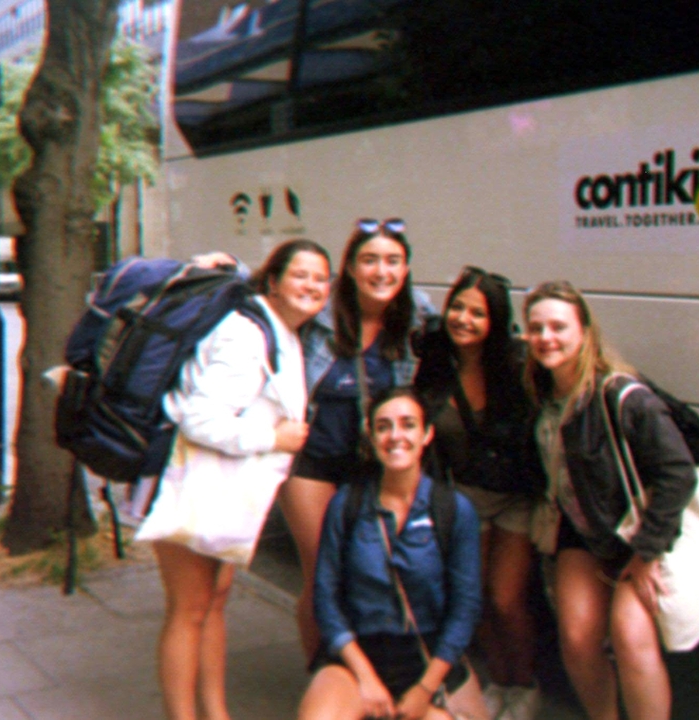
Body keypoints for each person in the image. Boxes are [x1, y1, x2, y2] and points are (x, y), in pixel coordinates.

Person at [138, 239, 332, 720]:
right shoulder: (247, 335)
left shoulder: (278, 329)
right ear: (274, 282)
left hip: (220, 491)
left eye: (321, 278)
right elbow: (199, 418)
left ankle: (216, 712)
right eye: (300, 274)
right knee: (189, 610)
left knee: (213, 603)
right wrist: (274, 438)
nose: (312, 285)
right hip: (188, 486)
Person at [522, 280, 697, 720]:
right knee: (577, 640)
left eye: (558, 327)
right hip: (585, 535)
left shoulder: (622, 395)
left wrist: (647, 551)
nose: (546, 337)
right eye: (536, 328)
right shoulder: (541, 395)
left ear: (585, 332)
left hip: (638, 536)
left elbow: (678, 473)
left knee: (631, 639)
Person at [281, 217, 434, 659]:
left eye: (393, 261)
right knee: (324, 573)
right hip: (314, 462)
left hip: (374, 466)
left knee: (374, 572)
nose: (381, 271)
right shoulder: (318, 314)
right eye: (369, 260)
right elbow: (266, 296)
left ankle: (367, 673)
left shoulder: (416, 317)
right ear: (348, 268)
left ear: (406, 269)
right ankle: (323, 674)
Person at [298, 387, 487, 720]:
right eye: (383, 426)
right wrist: (366, 678)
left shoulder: (454, 510)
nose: (396, 436)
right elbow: (326, 599)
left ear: (426, 434)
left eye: (408, 424)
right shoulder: (347, 504)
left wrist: (425, 689)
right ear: (371, 436)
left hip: (426, 656)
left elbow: (465, 609)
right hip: (357, 654)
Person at [413, 266, 543, 720]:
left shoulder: (516, 364)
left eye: (478, 313)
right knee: (477, 601)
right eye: (458, 308)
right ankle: (499, 683)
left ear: (495, 321)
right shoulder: (433, 361)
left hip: (515, 497)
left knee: (506, 599)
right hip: (465, 498)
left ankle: (524, 685)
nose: (464, 319)